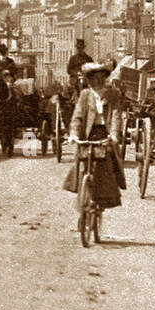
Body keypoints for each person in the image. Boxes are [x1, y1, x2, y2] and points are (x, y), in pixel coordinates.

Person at [62, 63, 125, 210]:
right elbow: (77, 116)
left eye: (100, 78)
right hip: (88, 133)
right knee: (83, 160)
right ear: (89, 80)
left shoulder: (113, 94)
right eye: (94, 78)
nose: (97, 82)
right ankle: (82, 195)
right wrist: (73, 134)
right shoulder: (85, 95)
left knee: (106, 165)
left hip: (105, 132)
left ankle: (103, 201)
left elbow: (116, 115)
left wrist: (114, 135)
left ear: (105, 78)